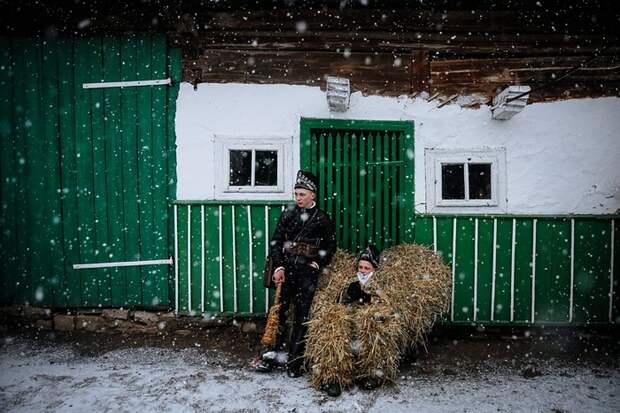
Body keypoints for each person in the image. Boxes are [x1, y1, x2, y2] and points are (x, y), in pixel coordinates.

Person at [256, 170, 336, 377]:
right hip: (286, 270)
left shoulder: (322, 219)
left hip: (307, 273)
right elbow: (276, 243)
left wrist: (317, 263)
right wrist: (279, 267)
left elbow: (330, 246)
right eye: (296, 194)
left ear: (313, 195)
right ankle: (269, 358)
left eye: (302, 194)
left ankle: (294, 362)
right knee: (278, 315)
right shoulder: (288, 214)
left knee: (302, 315)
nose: (298, 198)